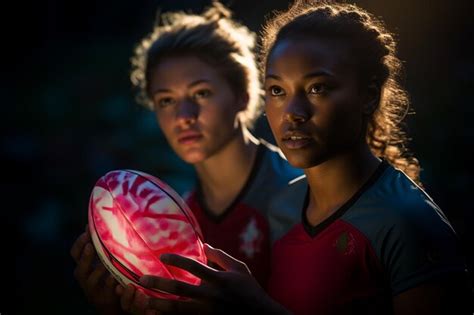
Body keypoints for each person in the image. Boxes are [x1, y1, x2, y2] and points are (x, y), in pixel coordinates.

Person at [130, 1, 473, 314]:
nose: (293, 112)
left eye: (317, 88)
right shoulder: (284, 205)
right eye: (278, 90)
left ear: (369, 95)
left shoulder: (409, 221)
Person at [70, 1, 303, 314]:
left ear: (243, 94)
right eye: (166, 100)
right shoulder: (173, 220)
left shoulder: (300, 194)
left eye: (201, 93)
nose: (184, 116)